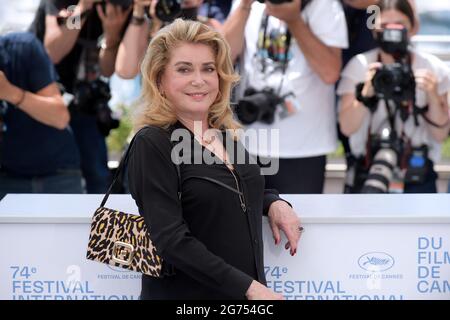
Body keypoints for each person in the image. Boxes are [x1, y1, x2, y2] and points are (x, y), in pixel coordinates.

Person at [127, 19, 302, 300]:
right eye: (184, 69)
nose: (199, 80)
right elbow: (170, 240)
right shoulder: (152, 142)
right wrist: (250, 288)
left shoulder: (226, 135)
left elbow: (234, 186)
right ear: (159, 80)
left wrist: (273, 202)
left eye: (208, 69)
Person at [223, 0, 348, 194]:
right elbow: (223, 57)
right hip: (249, 141)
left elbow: (330, 72)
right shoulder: (246, 4)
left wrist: (294, 20)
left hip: (303, 147)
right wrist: (245, 6)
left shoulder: (324, 5)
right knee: (247, 221)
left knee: (296, 222)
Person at [338, 0, 450, 193]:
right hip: (368, 168)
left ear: (413, 28)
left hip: (417, 173)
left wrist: (432, 94)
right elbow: (347, 128)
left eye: (399, 25)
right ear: (374, 30)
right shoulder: (360, 65)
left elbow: (440, 135)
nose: (392, 33)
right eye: (384, 26)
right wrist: (366, 92)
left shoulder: (433, 68)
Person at [29, 0, 130, 193]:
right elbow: (53, 51)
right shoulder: (61, 3)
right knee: (52, 176)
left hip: (88, 108)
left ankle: (98, 222)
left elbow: (108, 70)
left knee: (98, 178)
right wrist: (82, 10)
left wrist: (112, 33)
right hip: (48, 103)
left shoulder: (116, 7)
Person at [0, 32, 82, 200]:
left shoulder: (24, 47)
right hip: (8, 179)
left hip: (58, 174)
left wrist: (9, 92)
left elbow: (60, 117)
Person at [115, 0, 222, 80]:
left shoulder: (210, 27)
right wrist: (138, 11)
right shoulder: (145, 27)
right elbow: (125, 71)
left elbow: (223, 66)